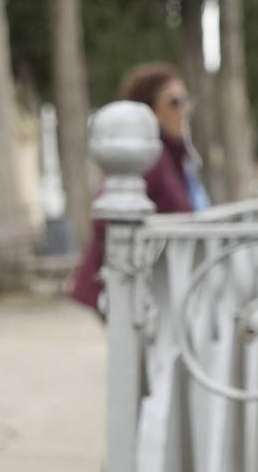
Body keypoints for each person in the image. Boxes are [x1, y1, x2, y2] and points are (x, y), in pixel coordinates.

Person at [71, 63, 207, 312]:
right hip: (125, 286)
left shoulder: (174, 157)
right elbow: (108, 220)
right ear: (150, 111)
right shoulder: (151, 159)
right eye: (174, 102)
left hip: (153, 285)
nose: (183, 110)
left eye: (186, 101)